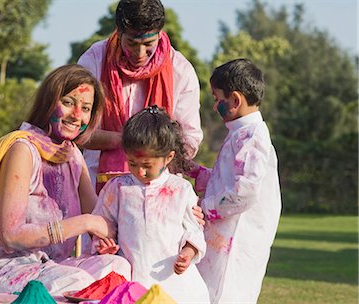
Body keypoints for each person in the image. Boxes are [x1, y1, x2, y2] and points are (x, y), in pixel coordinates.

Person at [0, 64, 131, 303]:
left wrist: (104, 240)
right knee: (77, 284)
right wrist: (85, 223)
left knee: (117, 267)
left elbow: (98, 217)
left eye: (86, 108)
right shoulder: (22, 149)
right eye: (69, 102)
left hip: (53, 266)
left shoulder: (72, 155)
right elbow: (12, 236)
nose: (76, 115)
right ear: (48, 102)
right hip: (7, 270)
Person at [77, 0, 203, 192]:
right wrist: (124, 140)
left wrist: (152, 150)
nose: (140, 53)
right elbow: (77, 128)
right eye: (132, 43)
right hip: (98, 188)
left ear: (160, 34)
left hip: (159, 192)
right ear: (118, 33)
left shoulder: (181, 71)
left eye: (148, 44)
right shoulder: (93, 61)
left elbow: (190, 140)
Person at [92, 106, 210, 303]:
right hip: (131, 277)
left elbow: (194, 230)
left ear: (168, 157)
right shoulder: (118, 188)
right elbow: (103, 224)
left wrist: (188, 253)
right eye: (132, 163)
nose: (140, 172)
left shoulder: (181, 189)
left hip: (172, 280)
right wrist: (104, 243)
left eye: (147, 166)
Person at [193, 58, 282, 303]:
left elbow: (243, 193)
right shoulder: (240, 135)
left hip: (237, 242)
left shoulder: (252, 138)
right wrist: (197, 172)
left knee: (226, 295)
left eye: (216, 97)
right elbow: (226, 182)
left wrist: (204, 208)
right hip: (223, 237)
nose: (214, 106)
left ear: (234, 100)